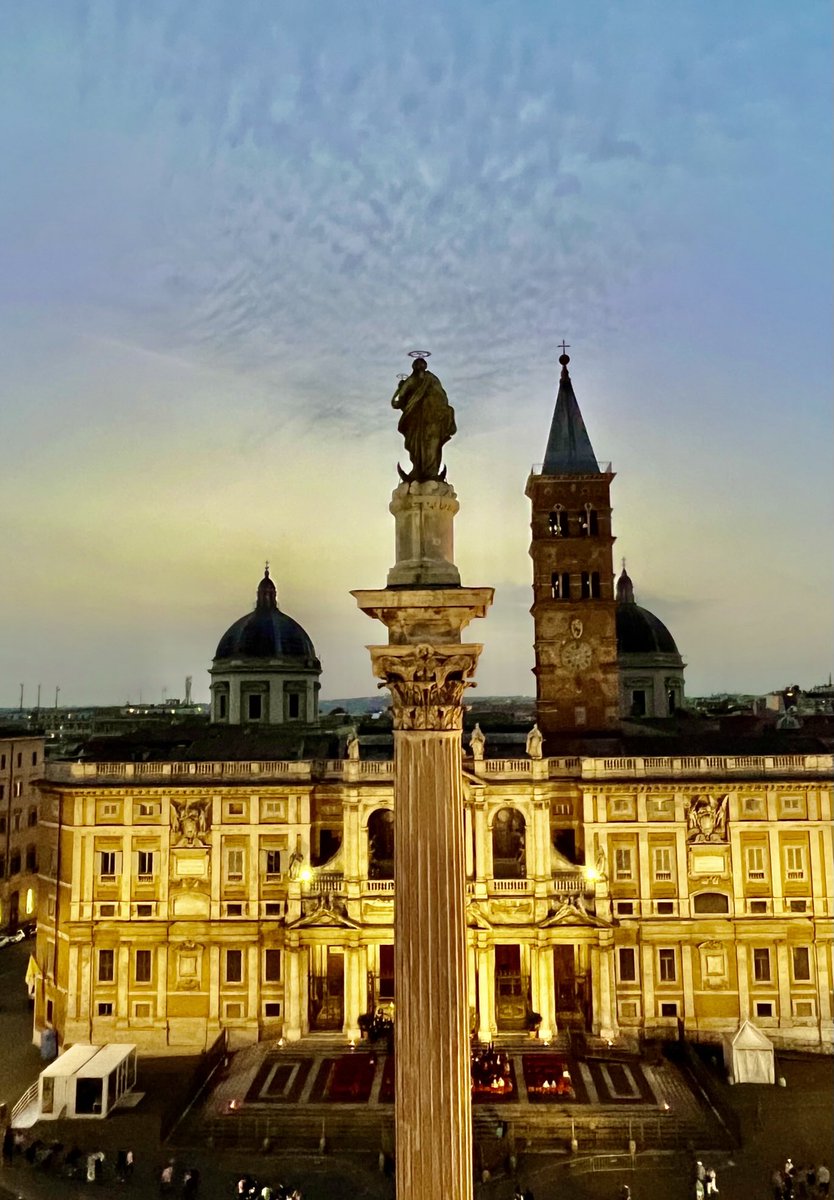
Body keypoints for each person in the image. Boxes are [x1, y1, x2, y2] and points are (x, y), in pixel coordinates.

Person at [391, 357, 456, 483]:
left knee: (432, 445)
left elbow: (442, 396)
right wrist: (400, 390)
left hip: (432, 419)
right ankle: (418, 470)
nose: (421, 369)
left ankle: (431, 472)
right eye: (418, 366)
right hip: (416, 421)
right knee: (416, 446)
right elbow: (399, 401)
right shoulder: (412, 380)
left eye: (422, 366)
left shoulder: (431, 379)